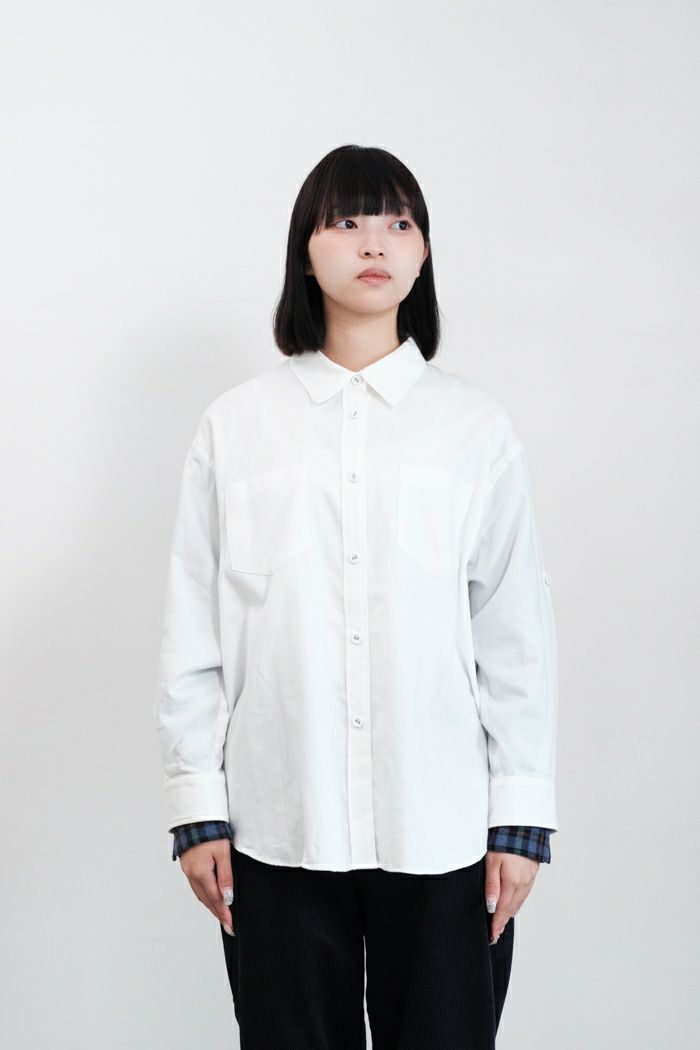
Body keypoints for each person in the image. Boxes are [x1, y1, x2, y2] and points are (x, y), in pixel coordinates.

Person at [154, 143, 559, 1049]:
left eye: (398, 223)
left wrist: (521, 817)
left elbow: (514, 632)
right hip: (277, 822)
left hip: (443, 825)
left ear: (422, 255)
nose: (374, 242)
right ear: (305, 252)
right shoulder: (237, 427)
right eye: (346, 221)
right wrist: (196, 805)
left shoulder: (474, 430)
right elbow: (194, 624)